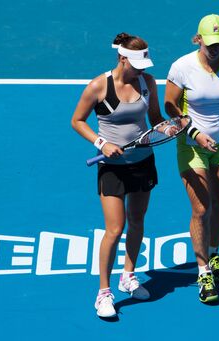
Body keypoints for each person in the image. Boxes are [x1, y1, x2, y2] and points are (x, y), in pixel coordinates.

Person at [71, 33, 165, 318]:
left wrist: (167, 129)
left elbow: (156, 119)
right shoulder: (99, 86)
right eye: (137, 64)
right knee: (115, 228)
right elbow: (77, 121)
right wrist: (102, 143)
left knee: (137, 221)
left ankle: (128, 275)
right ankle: (103, 293)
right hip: (112, 167)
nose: (142, 70)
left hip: (143, 161)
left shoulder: (147, 83)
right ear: (122, 59)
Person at [164, 14, 219, 303]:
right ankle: (203, 273)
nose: (215, 48)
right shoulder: (182, 67)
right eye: (210, 43)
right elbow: (170, 105)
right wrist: (193, 131)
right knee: (201, 209)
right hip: (192, 144)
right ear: (198, 38)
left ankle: (214, 254)